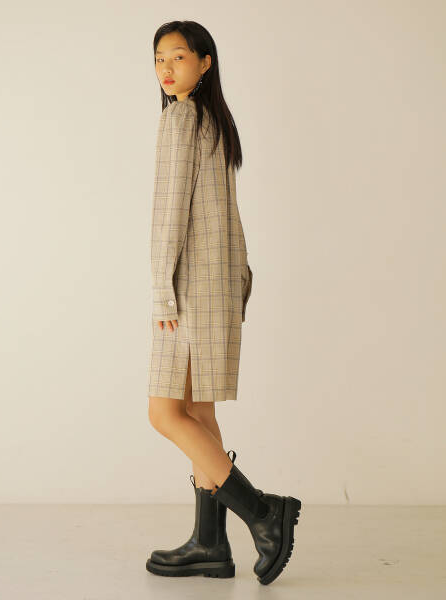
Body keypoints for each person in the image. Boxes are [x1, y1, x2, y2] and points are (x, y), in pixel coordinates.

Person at [146, 21, 301, 586]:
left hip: (189, 286)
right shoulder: (212, 119)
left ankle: (262, 512)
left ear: (205, 62)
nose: (166, 69)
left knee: (165, 414)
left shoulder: (182, 118)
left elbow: (170, 215)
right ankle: (210, 543)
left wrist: (162, 288)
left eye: (178, 57)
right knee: (199, 414)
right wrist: (240, 281)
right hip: (217, 282)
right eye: (159, 59)